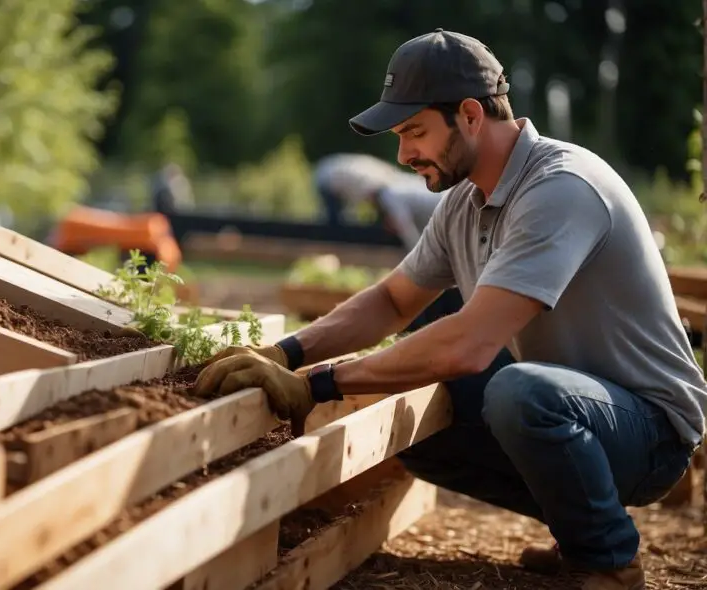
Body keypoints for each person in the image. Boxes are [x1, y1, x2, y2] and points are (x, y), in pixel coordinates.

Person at [192, 28, 706, 590]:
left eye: (414, 132)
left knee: (515, 393)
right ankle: (583, 529)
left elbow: (469, 344)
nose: (403, 154)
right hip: (580, 405)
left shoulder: (561, 188)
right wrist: (285, 353)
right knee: (423, 423)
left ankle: (608, 561)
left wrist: (316, 385)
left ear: (469, 115)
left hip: (652, 431)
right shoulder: (466, 201)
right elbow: (392, 300)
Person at [313, 153, 445, 249]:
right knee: (335, 226)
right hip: (326, 177)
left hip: (330, 172)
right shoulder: (391, 187)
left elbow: (405, 226)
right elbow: (405, 227)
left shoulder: (392, 191)